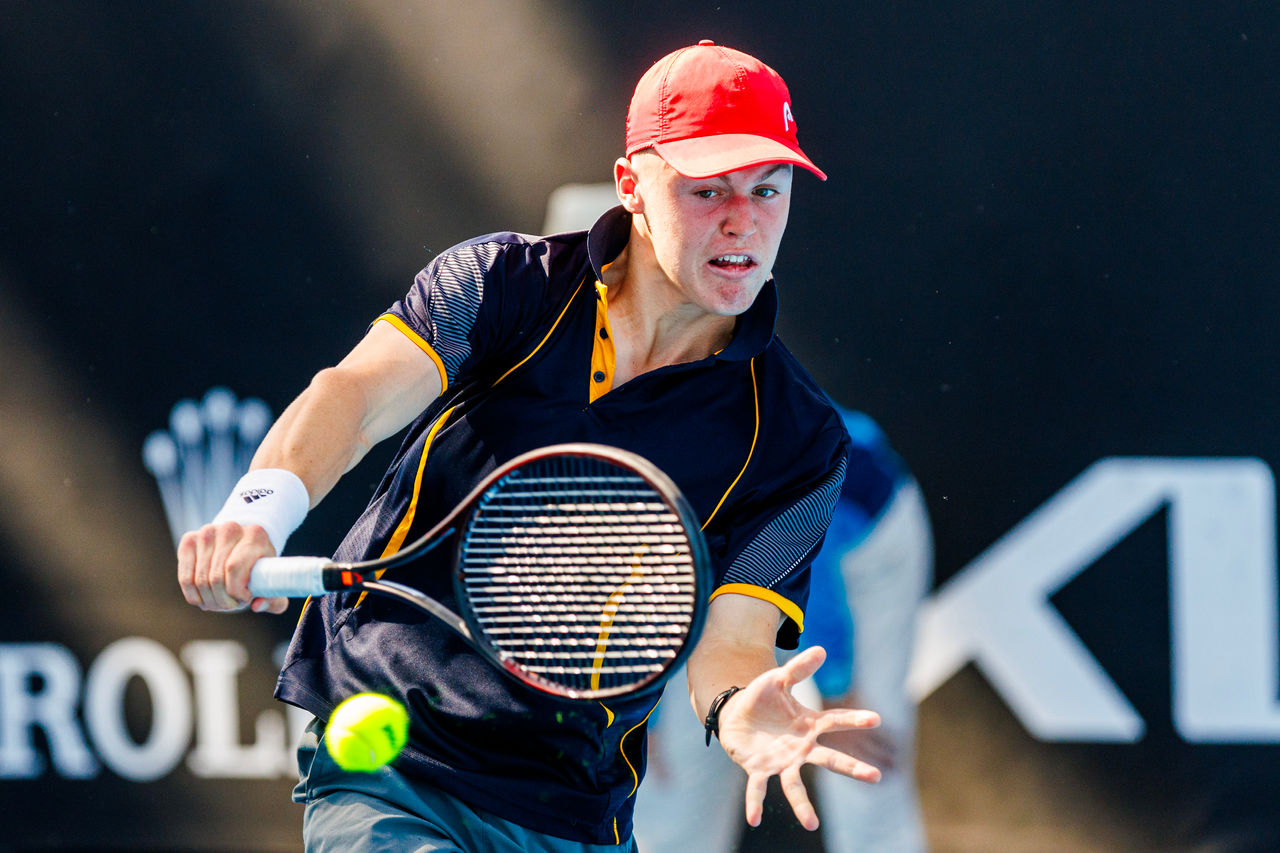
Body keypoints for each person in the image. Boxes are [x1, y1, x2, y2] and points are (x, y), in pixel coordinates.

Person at [177, 40, 884, 852]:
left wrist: (738, 704)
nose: (743, 219)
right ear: (632, 186)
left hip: (568, 807)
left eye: (769, 187)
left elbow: (732, 643)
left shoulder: (800, 440)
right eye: (706, 188)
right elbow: (357, 397)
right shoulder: (499, 284)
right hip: (392, 747)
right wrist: (257, 510)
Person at [635, 407, 932, 852]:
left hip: (857, 551)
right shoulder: (617, 442)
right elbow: (644, 584)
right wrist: (644, 713)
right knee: (664, 772)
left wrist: (838, 693)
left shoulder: (770, 427)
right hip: (712, 570)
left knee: (858, 753)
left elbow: (814, 563)